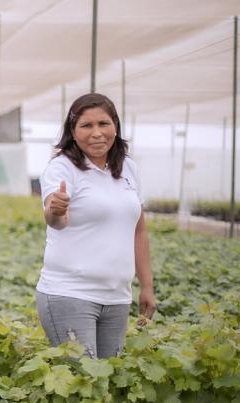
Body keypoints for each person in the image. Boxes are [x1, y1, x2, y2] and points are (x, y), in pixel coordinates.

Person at [36, 92, 156, 359]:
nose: (97, 133)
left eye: (103, 123)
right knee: (84, 383)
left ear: (116, 126)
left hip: (117, 297)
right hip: (70, 294)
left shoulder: (128, 169)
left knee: (107, 382)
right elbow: (56, 221)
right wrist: (56, 209)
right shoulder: (62, 168)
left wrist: (146, 285)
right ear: (73, 132)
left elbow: (139, 230)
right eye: (86, 126)